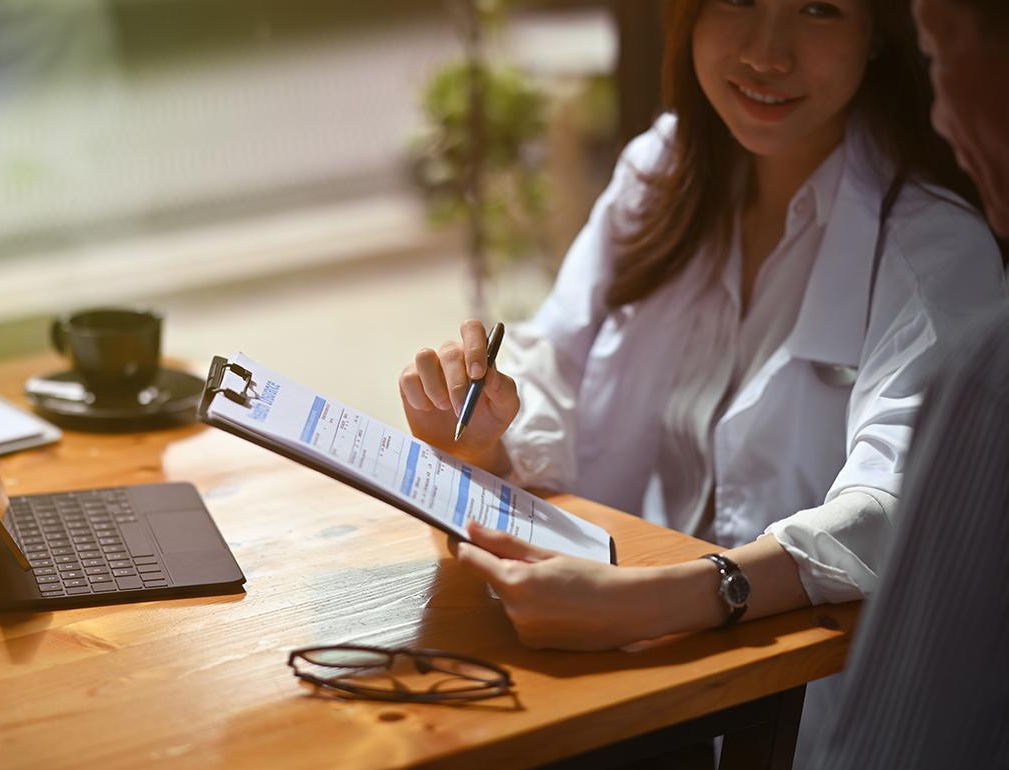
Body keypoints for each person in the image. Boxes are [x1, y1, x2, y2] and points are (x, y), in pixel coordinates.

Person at [398, 0, 1005, 763]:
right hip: (625, 681)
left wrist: (669, 597)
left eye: (819, 9)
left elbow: (899, 506)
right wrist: (487, 436)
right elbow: (552, 360)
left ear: (880, 34)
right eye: (737, 1)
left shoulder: (933, 247)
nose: (766, 53)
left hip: (808, 720)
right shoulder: (663, 169)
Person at [807, 0, 1009, 766]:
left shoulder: (990, 369)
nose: (945, 116)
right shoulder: (657, 177)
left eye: (942, 55)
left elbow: (902, 743)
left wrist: (710, 585)